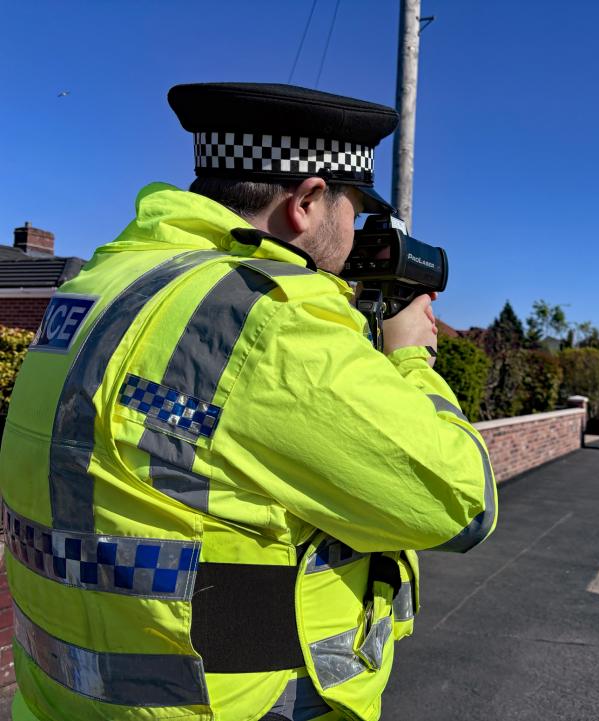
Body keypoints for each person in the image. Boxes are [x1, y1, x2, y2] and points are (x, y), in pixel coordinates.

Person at [0, 82, 498, 721]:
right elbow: (464, 504)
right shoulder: (271, 325)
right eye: (353, 208)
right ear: (308, 202)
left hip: (55, 704)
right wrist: (407, 357)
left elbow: (180, 428)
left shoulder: (100, 286)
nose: (356, 232)